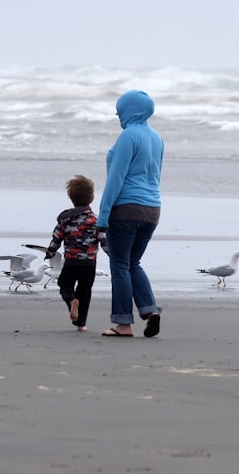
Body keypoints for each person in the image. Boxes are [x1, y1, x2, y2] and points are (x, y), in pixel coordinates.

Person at [97, 90, 164, 338]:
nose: (117, 114)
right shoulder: (157, 137)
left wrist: (102, 217)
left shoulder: (128, 136)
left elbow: (116, 179)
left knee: (120, 266)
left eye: (120, 109)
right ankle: (150, 310)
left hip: (125, 209)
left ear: (130, 110)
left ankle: (123, 324)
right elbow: (156, 176)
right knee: (133, 263)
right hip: (152, 209)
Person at [44, 175, 107, 332]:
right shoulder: (95, 220)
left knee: (64, 285)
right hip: (89, 263)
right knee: (85, 292)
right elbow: (103, 240)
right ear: (91, 198)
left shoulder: (65, 220)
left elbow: (56, 238)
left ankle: (72, 301)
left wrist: (50, 253)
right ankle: (81, 324)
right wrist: (113, 255)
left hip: (71, 262)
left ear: (71, 198)